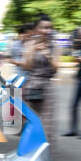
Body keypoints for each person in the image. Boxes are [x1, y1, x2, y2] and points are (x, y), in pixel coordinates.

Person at [23, 14, 60, 150]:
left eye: (49, 28)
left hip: (47, 86)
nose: (47, 30)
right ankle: (30, 153)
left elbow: (56, 69)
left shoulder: (54, 46)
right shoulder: (29, 44)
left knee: (47, 124)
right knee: (32, 121)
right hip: (32, 84)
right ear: (37, 29)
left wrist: (48, 55)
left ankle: (45, 158)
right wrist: (32, 50)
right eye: (44, 27)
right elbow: (26, 67)